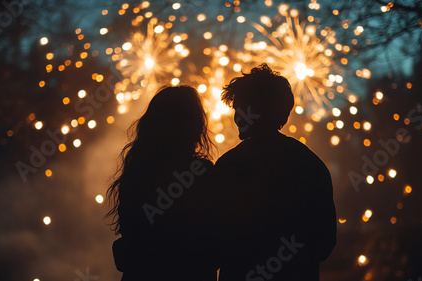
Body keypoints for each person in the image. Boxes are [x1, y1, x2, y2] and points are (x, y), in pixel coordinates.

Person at [213, 64, 337, 281]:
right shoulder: (311, 165)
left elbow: (213, 246)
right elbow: (324, 243)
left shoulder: (227, 167)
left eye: (240, 108)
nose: (237, 118)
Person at [106, 85, 218, 281]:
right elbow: (214, 244)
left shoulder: (136, 173)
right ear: (194, 125)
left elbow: (130, 240)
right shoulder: (201, 173)